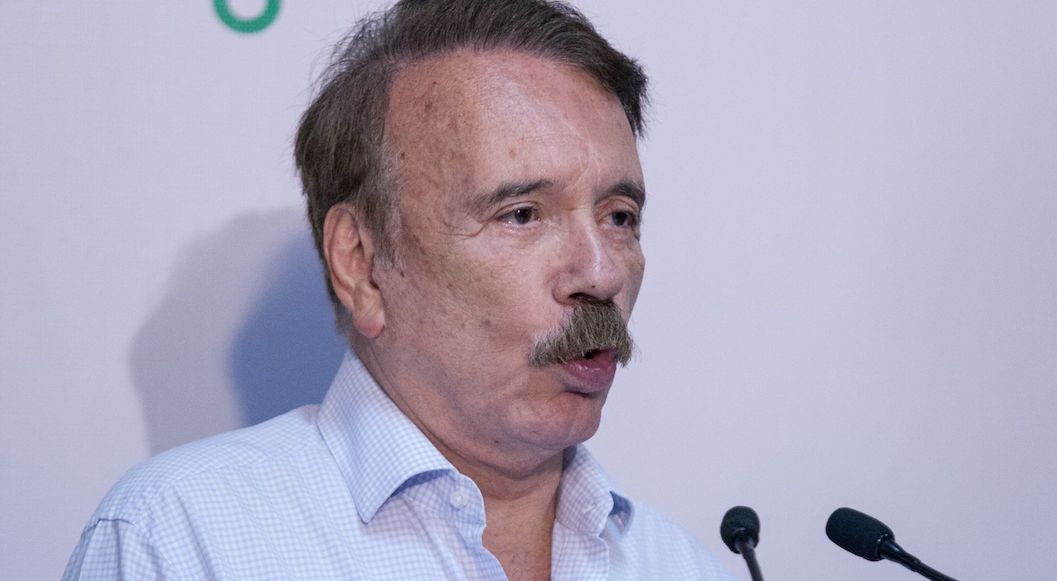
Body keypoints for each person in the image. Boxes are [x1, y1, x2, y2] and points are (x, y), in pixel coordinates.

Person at [63, 1, 736, 579]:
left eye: (619, 217)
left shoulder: (679, 565)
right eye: (522, 214)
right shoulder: (182, 539)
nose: (601, 273)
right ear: (361, 265)